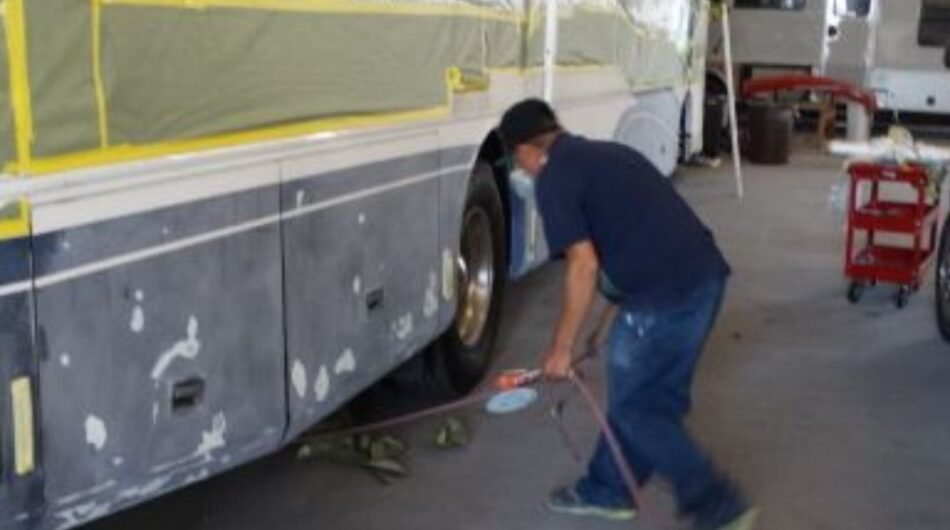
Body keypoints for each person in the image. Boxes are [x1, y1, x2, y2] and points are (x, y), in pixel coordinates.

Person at [497, 99, 757, 530]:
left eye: (515, 159)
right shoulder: (609, 155)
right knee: (649, 401)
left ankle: (719, 505)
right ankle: (609, 487)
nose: (519, 169)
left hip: (665, 299)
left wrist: (560, 348)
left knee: (639, 410)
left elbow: (584, 265)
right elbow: (635, 237)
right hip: (705, 280)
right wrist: (604, 324)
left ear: (526, 150)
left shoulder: (554, 180)